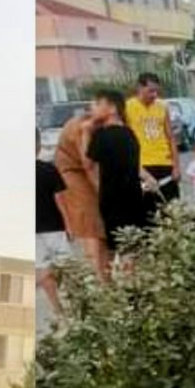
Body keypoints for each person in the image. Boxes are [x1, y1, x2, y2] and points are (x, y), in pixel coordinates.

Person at [52, 95, 111, 281]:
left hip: (83, 173)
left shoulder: (98, 126)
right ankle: (97, 276)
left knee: (100, 226)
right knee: (90, 226)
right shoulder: (81, 128)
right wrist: (104, 193)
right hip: (72, 174)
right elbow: (89, 166)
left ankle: (104, 274)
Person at [87, 88, 153, 254]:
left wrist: (85, 133)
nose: (92, 109)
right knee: (134, 249)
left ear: (112, 108)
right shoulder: (129, 134)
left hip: (112, 202)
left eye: (97, 104)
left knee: (121, 251)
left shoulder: (101, 135)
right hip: (134, 198)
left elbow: (87, 164)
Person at [126, 72, 178, 208]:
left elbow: (170, 137)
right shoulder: (128, 107)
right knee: (148, 211)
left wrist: (176, 166)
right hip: (144, 165)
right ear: (139, 88)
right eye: (150, 91)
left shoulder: (162, 107)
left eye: (156, 91)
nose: (154, 95)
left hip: (164, 163)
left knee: (172, 208)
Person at [37, 150, 71, 318]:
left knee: (43, 270)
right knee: (67, 266)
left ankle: (58, 309)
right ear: (39, 145)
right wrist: (69, 226)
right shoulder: (48, 169)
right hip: (54, 227)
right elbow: (61, 202)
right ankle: (76, 301)